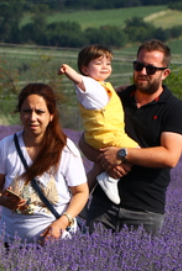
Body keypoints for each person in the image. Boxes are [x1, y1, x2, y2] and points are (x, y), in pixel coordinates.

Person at [80, 39, 182, 236]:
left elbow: (169, 157)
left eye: (151, 68)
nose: (143, 72)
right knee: (92, 263)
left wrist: (122, 153)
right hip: (103, 204)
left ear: (165, 73)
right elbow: (85, 140)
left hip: (144, 209)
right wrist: (108, 161)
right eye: (139, 66)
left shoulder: (174, 108)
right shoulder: (116, 97)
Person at [0, 83, 89, 245]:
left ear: (51, 115)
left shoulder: (65, 149)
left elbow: (81, 192)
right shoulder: (6, 146)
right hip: (9, 244)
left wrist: (62, 222)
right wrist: (3, 200)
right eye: (27, 111)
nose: (32, 118)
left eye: (40, 112)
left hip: (56, 245)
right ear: (20, 113)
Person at [59, 44, 139, 205]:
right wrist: (68, 71)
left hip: (100, 134)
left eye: (108, 63)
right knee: (136, 153)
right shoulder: (89, 85)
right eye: (98, 63)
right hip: (106, 135)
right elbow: (80, 81)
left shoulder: (101, 86)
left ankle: (75, 202)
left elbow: (103, 96)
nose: (105, 67)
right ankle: (110, 179)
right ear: (85, 69)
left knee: (98, 167)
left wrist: (120, 90)